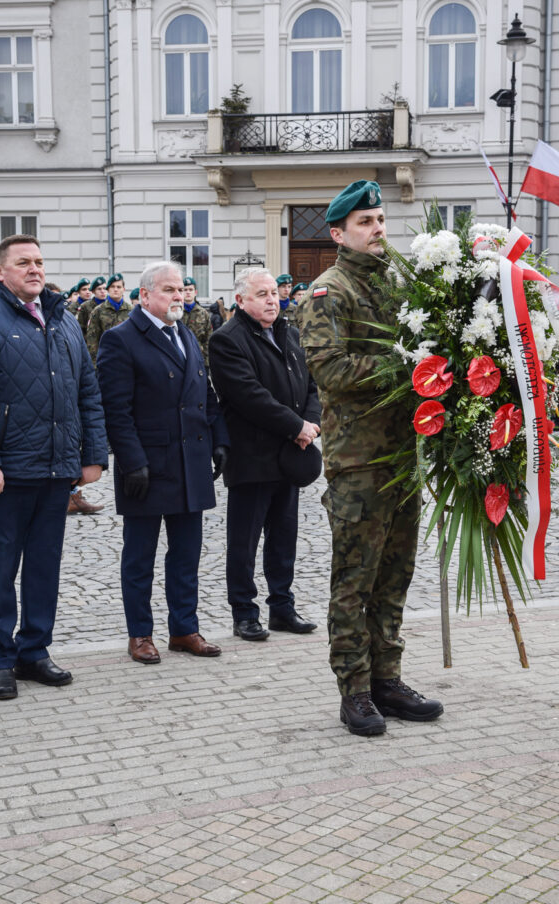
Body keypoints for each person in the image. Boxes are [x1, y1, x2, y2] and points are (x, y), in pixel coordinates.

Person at [299, 179, 443, 737]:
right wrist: (409, 371)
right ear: (339, 233)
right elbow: (331, 371)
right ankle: (354, 690)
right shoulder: (328, 292)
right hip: (357, 460)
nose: (378, 229)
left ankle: (388, 678)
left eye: (380, 219)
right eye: (365, 222)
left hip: (403, 456)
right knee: (354, 581)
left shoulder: (399, 285)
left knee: (394, 577)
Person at [0, 234, 108, 700]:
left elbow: (87, 392)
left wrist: (92, 455)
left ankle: (34, 650)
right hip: (4, 474)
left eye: (38, 261)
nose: (34, 269)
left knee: (43, 568)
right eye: (23, 263)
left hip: (56, 470)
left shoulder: (64, 320)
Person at [97, 260, 229, 664]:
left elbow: (204, 393)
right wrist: (131, 461)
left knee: (187, 554)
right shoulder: (120, 339)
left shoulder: (185, 334)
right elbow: (115, 409)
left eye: (180, 290)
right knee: (140, 557)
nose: (178, 296)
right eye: (169, 290)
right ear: (146, 295)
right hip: (147, 467)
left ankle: (184, 629)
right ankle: (140, 634)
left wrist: (219, 440)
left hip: (190, 461)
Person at [209, 267, 320, 642]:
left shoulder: (288, 332)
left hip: (291, 454)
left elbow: (311, 385)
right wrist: (297, 426)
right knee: (244, 541)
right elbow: (249, 396)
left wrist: (312, 422)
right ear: (240, 300)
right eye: (262, 294)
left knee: (284, 537)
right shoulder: (227, 339)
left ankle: (282, 608)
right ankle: (243, 612)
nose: (272, 299)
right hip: (252, 457)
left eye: (274, 292)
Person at [86, 273, 131, 366]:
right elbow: (92, 340)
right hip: (106, 360)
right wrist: (95, 365)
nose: (115, 289)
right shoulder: (98, 311)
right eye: (112, 287)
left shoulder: (131, 310)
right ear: (108, 289)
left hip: (127, 361)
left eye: (119, 287)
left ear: (124, 289)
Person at [180, 276, 212, 366]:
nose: (188, 292)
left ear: (195, 292)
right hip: (180, 357)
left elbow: (208, 339)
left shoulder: (203, 313)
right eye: (185, 290)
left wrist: (206, 363)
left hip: (198, 357)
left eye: (190, 289)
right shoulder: (176, 311)